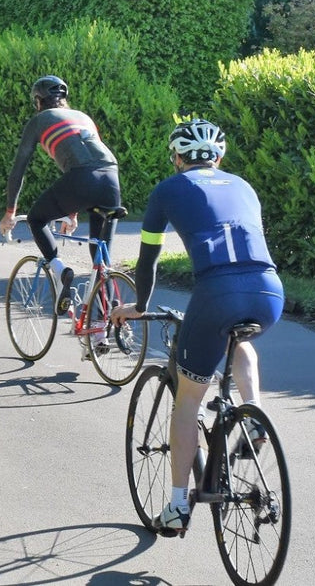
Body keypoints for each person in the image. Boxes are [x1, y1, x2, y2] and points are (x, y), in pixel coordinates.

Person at [110, 119, 283, 535]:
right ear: (219, 158)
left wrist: (138, 305)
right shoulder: (244, 186)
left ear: (176, 158)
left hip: (217, 292)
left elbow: (148, 258)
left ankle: (175, 506)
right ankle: (254, 413)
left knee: (186, 402)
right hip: (269, 290)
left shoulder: (168, 189)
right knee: (239, 338)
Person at [0, 75, 121, 314]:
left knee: (36, 219)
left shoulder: (40, 120)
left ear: (38, 101)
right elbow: (90, 162)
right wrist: (71, 213)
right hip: (111, 177)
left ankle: (61, 270)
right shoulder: (83, 117)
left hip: (81, 178)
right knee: (100, 252)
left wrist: (10, 212)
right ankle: (107, 320)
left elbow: (18, 169)